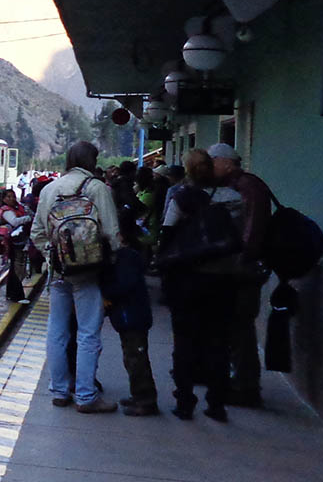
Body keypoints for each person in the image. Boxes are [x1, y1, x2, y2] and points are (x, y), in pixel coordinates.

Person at [30, 141, 121, 413]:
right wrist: (107, 261)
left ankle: (59, 391)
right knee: (88, 332)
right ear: (91, 160)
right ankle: (85, 395)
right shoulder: (97, 188)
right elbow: (112, 233)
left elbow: (37, 232)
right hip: (89, 273)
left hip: (58, 272)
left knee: (56, 331)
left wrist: (53, 256)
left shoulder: (49, 189)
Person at [160, 148, 245, 422]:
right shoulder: (233, 198)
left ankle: (185, 401)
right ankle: (217, 403)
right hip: (223, 279)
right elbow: (237, 234)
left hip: (186, 278)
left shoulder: (181, 197)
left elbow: (168, 233)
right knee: (218, 341)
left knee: (184, 341)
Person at [207, 142, 272, 408]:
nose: (210, 168)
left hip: (243, 269)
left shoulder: (247, 186)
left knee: (241, 328)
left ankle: (246, 387)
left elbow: (252, 230)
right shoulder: (239, 186)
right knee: (234, 328)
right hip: (237, 267)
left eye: (213, 163)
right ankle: (238, 380)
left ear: (226, 162)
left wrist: (240, 261)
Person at [100, 234, 158, 416]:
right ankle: (139, 395)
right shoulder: (128, 258)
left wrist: (105, 290)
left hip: (131, 317)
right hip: (131, 317)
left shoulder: (124, 261)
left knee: (136, 358)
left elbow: (124, 285)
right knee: (132, 357)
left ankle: (145, 400)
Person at [0, 188, 32, 302]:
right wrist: (29, 218)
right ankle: (17, 295)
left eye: (13, 196)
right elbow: (14, 222)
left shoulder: (17, 207)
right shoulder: (6, 210)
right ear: (3, 199)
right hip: (14, 242)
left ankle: (12, 293)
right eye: (8, 197)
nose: (12, 199)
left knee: (15, 267)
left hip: (18, 241)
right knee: (17, 266)